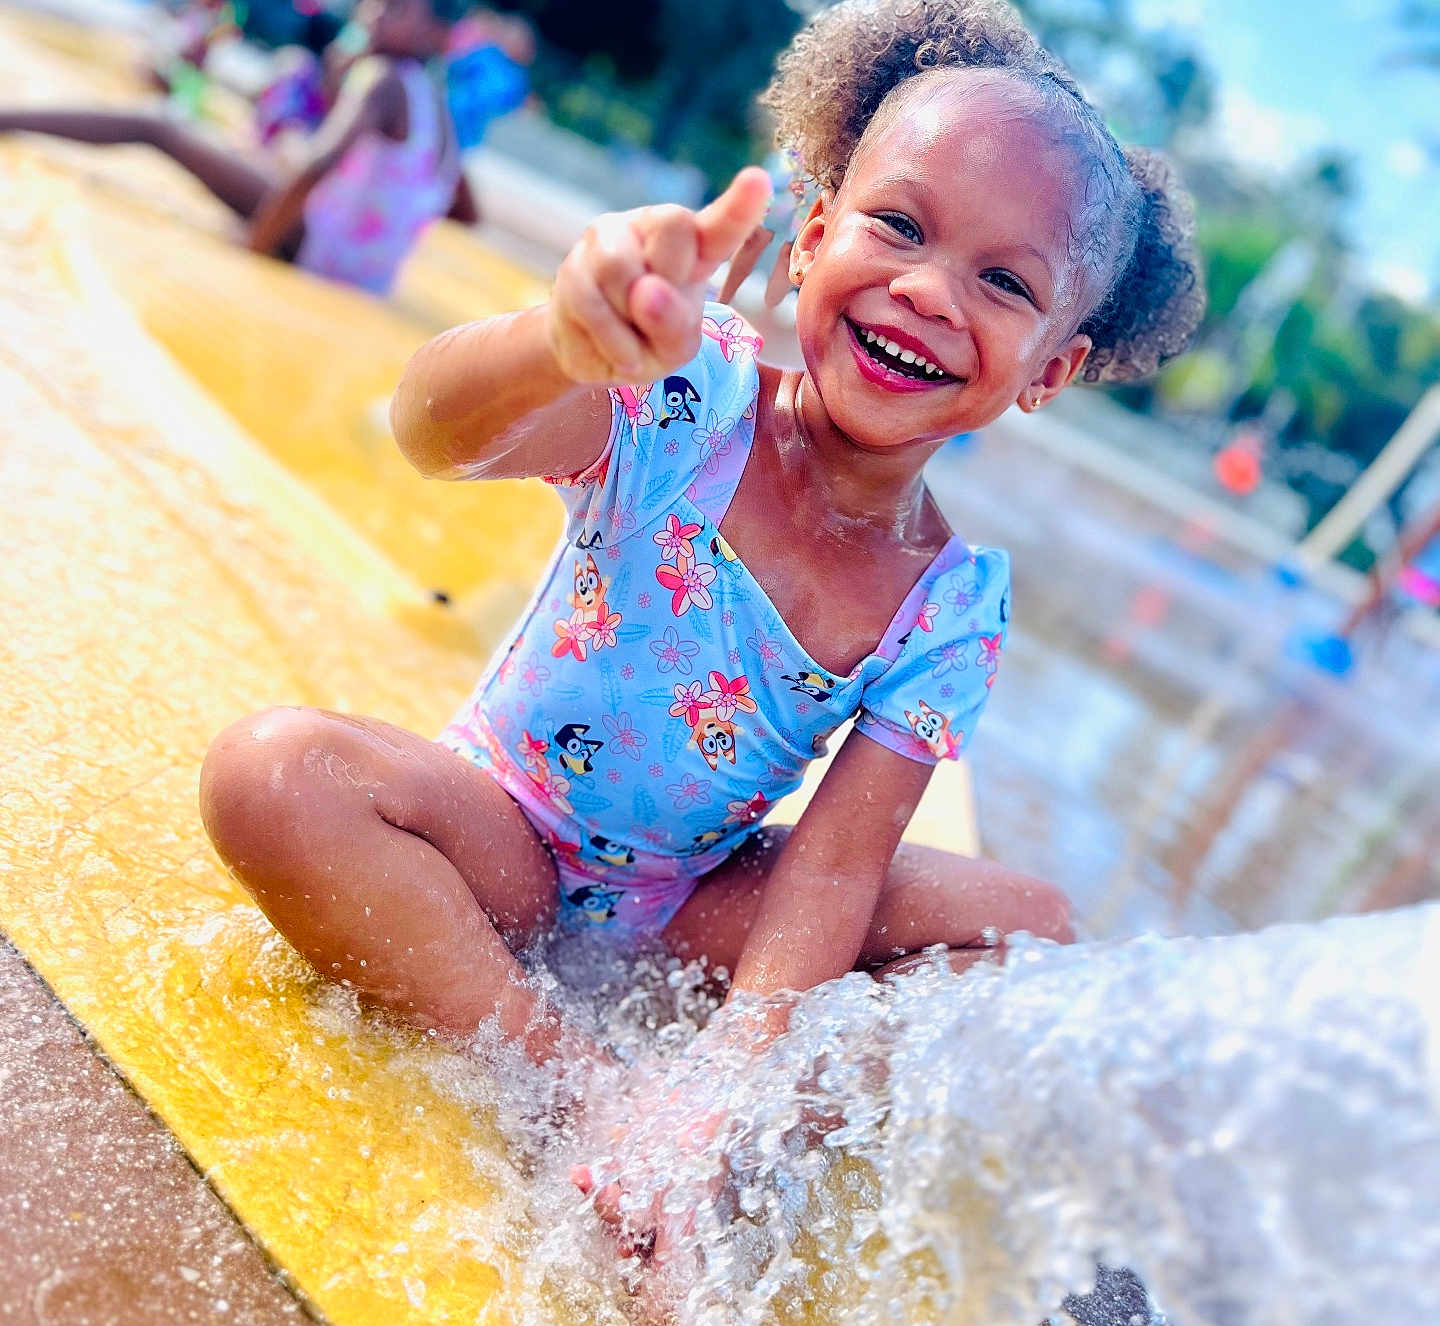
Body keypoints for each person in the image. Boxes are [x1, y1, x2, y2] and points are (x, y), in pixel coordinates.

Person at [199, 0, 1204, 1065]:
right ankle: (566, 1074)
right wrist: (557, 346)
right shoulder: (690, 397)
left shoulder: (947, 605)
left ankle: (721, 1115)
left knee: (1033, 931)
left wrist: (722, 1089)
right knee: (272, 773)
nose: (927, 291)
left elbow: (832, 868)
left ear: (1049, 369)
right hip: (497, 838)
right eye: (899, 226)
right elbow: (433, 433)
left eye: (1004, 282)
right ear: (813, 239)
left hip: (686, 909)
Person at [0, 0, 476, 296]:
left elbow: (316, 164)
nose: (372, 11)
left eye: (395, 5)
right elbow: (466, 211)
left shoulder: (383, 78)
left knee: (158, 128)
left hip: (312, 247)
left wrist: (253, 247)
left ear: (437, 35)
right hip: (366, 279)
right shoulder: (440, 112)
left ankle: (7, 118)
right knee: (258, 157)